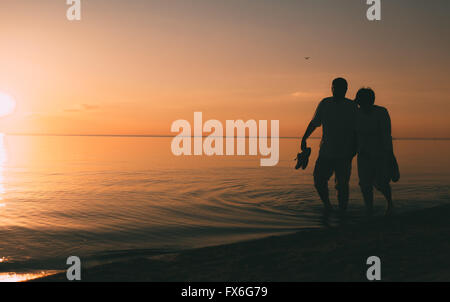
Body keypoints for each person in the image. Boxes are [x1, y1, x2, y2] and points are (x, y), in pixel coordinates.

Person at [301, 78, 357, 212]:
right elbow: (315, 122)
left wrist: (354, 150)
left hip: (345, 153)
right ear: (331, 88)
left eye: (340, 88)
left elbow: (357, 130)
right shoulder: (325, 103)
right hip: (326, 151)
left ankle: (343, 210)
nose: (336, 90)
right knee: (319, 181)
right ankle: (328, 206)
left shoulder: (352, 106)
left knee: (342, 185)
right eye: (334, 87)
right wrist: (304, 138)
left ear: (346, 89)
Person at [354, 88, 395, 216]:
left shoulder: (381, 112)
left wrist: (390, 156)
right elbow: (353, 135)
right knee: (365, 185)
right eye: (360, 101)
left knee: (382, 183)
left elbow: (386, 135)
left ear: (371, 100)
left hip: (380, 154)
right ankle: (369, 209)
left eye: (365, 101)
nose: (362, 104)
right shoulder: (356, 113)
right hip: (363, 154)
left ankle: (390, 204)